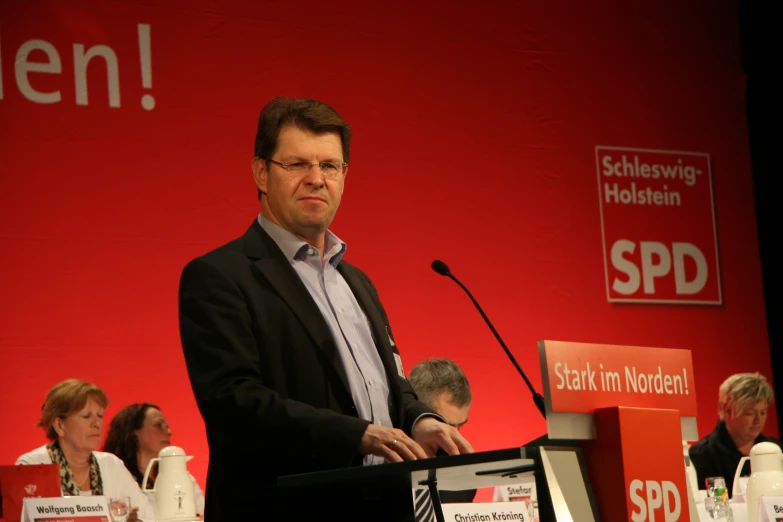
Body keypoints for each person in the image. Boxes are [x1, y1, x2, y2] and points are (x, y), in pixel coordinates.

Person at [178, 96, 473, 520]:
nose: (317, 179)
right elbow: (235, 403)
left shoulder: (357, 282)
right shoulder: (220, 276)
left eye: (330, 166)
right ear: (262, 173)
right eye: (297, 165)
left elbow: (393, 385)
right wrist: (357, 435)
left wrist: (421, 420)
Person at [15, 379, 155, 522]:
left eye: (100, 415)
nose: (97, 423)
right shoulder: (32, 465)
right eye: (86, 416)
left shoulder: (111, 464)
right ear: (59, 426)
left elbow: (148, 515)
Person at [102, 403, 205, 516]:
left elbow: (202, 512)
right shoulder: (113, 476)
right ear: (133, 432)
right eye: (158, 425)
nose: (169, 432)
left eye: (167, 426)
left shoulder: (180, 475)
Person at [689, 372, 781, 498]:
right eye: (749, 413)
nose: (758, 420)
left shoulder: (776, 450)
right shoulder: (702, 456)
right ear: (726, 411)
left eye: (763, 412)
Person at [408, 359, 476, 521]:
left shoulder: (463, 478)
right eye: (446, 426)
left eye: (461, 426)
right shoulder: (378, 461)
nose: (455, 438)